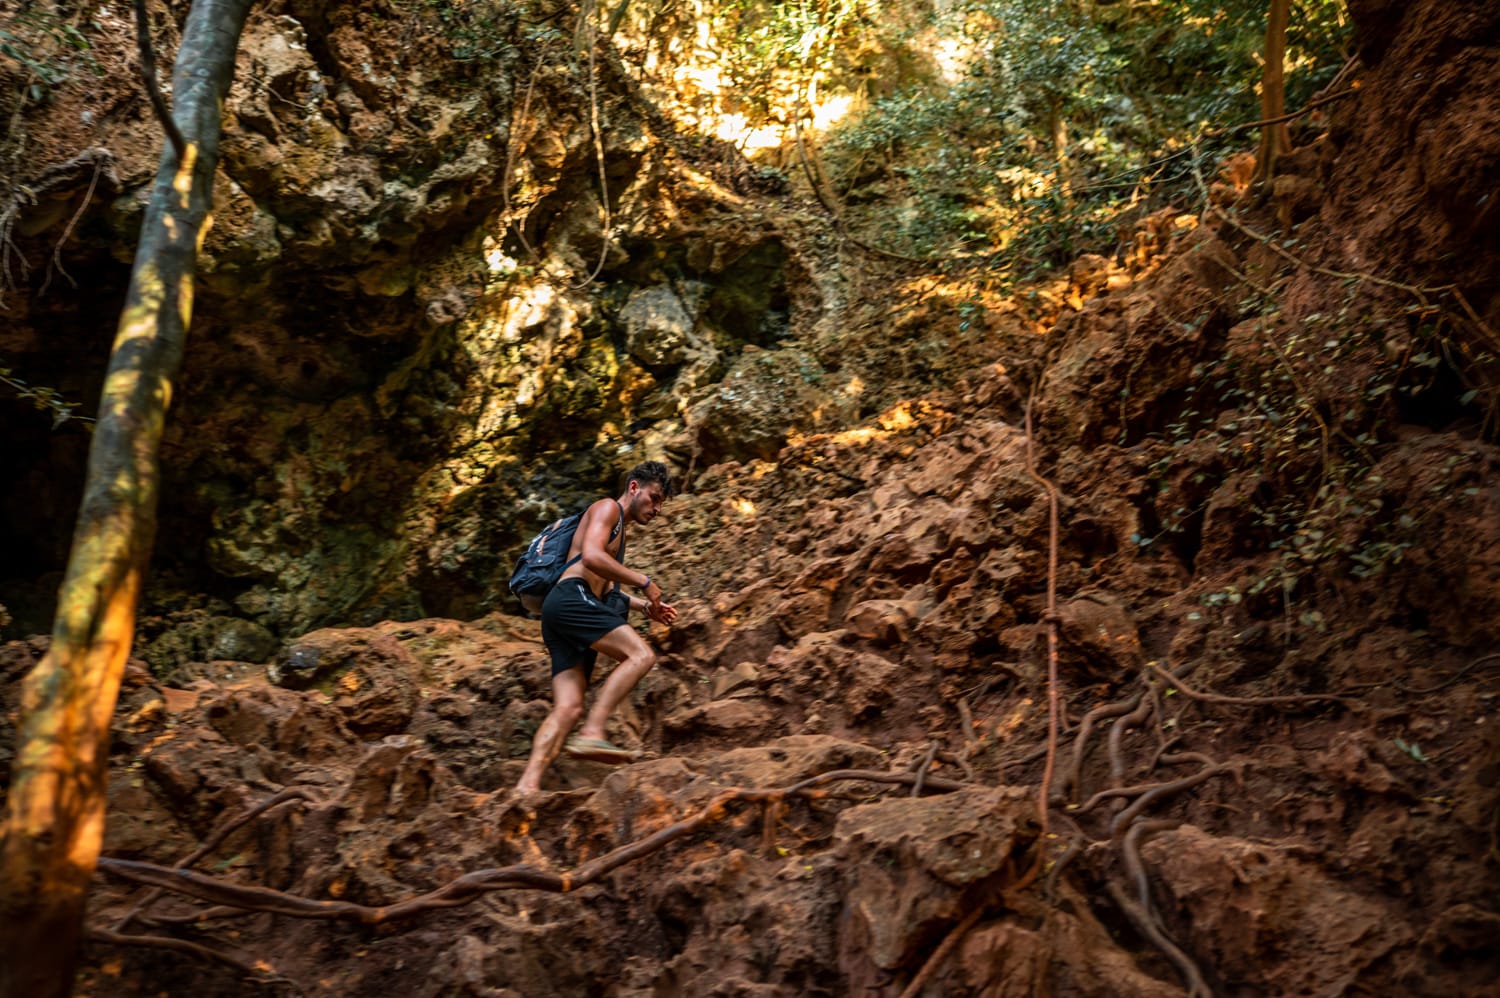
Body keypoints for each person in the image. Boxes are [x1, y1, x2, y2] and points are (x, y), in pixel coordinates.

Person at [514, 460, 678, 794]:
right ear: (634, 487)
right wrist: (644, 581)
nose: (657, 508)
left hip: (560, 610)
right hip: (571, 598)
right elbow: (590, 557)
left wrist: (645, 606)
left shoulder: (618, 532)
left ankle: (526, 788)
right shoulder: (607, 509)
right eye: (654, 498)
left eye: (661, 503)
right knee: (641, 655)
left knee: (569, 706)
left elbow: (604, 587)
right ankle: (593, 732)